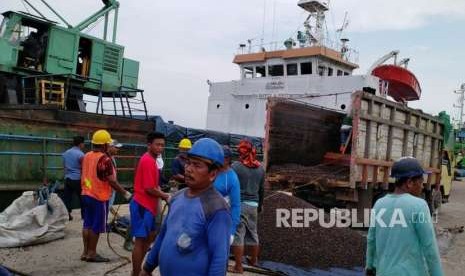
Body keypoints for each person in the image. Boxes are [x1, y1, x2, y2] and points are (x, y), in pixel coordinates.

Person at [140, 138, 231, 276]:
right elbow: (163, 236)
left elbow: (219, 258)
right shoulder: (177, 197)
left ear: (212, 174)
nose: (188, 169)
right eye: (188, 163)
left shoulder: (216, 208)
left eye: (197, 165)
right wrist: (147, 268)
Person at [365, 157, 443, 276]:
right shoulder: (419, 206)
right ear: (409, 183)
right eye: (420, 182)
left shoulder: (379, 204)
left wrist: (369, 267)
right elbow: (430, 248)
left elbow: (371, 240)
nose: (422, 187)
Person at [80, 129, 132, 262]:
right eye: (108, 144)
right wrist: (125, 193)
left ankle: (85, 253)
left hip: (86, 193)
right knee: (96, 226)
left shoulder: (87, 155)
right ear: (104, 145)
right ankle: (92, 253)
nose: (109, 146)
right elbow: (112, 181)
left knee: (87, 224)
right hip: (98, 197)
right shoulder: (105, 159)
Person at [130, 132, 170, 276]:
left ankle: (140, 270)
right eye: (157, 145)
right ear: (149, 145)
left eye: (162, 145)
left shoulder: (152, 160)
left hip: (149, 207)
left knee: (150, 236)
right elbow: (149, 188)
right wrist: (165, 195)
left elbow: (153, 186)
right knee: (140, 241)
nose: (160, 148)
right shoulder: (147, 161)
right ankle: (136, 273)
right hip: (142, 205)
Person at [231, 140, 265, 273]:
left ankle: (238, 266)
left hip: (240, 204)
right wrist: (260, 205)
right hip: (254, 205)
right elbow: (262, 189)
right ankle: (254, 260)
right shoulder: (260, 168)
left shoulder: (236, 167)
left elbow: (231, 186)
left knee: (239, 234)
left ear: (241, 152)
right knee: (253, 233)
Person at [213, 145, 241, 245]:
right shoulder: (213, 171)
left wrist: (232, 231)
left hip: (221, 221)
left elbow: (236, 205)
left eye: (221, 157)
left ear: (227, 159)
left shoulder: (231, 178)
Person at [62, 135, 85, 221]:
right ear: (80, 144)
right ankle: (84, 215)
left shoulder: (66, 153)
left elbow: (64, 166)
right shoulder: (81, 154)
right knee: (83, 198)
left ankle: (67, 214)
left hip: (67, 178)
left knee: (67, 198)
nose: (84, 145)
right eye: (83, 143)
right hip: (77, 179)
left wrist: (66, 175)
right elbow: (83, 168)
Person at [107, 139, 122, 208]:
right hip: (107, 189)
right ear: (109, 147)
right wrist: (123, 192)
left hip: (112, 188)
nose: (117, 149)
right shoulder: (105, 158)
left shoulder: (112, 157)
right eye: (116, 147)